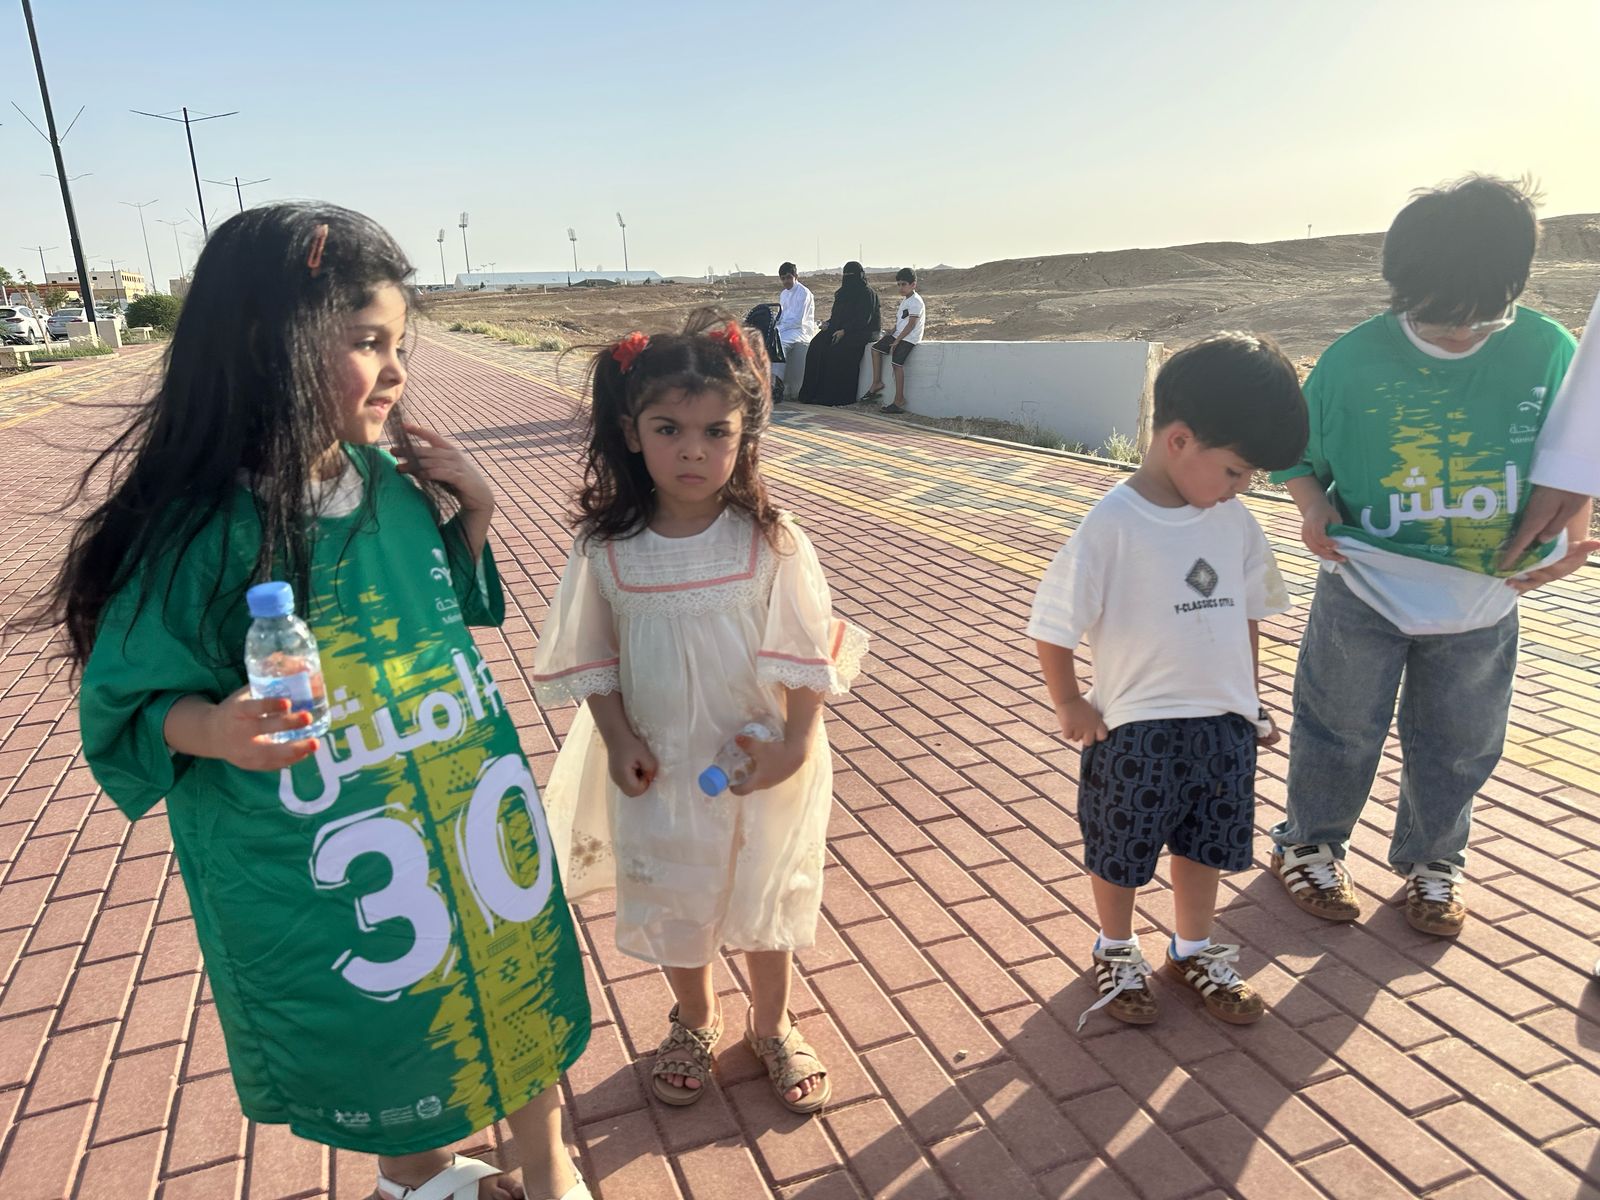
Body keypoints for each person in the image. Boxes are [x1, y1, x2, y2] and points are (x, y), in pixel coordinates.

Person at [47, 204, 592, 1200]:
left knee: (513, 979)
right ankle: (418, 1178)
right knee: (385, 1027)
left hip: (469, 819)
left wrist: (474, 511)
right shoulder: (195, 533)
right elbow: (127, 703)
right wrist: (213, 728)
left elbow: (436, 607)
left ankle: (550, 1171)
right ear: (270, 344)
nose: (395, 372)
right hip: (328, 853)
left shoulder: (389, 481)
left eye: (399, 345)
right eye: (367, 343)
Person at [532, 310, 868, 1114]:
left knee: (765, 886)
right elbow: (592, 657)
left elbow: (808, 654)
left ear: (744, 436)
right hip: (660, 764)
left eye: (716, 431)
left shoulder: (771, 539)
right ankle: (695, 1016)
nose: (693, 450)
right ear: (632, 432)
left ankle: (773, 1021)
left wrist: (796, 745)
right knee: (677, 892)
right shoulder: (606, 548)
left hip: (760, 759)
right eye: (669, 429)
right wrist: (616, 736)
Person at [1268, 176, 1596, 938]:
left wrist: (1569, 539)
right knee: (1338, 726)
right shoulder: (1353, 360)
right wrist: (1313, 508)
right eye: (1435, 315)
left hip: (1483, 597)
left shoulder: (1551, 351)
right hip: (1363, 585)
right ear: (1402, 289)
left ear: (1514, 286)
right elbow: (1295, 455)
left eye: (1483, 315)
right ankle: (1310, 844)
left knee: (1459, 743)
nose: (1457, 333)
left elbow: (1580, 458)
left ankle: (1435, 862)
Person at [1030, 333, 1309, 1029]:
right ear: (1179, 441)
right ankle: (1115, 947)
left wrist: (1251, 700)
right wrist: (1069, 700)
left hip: (1222, 725)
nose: (1242, 487)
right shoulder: (1113, 524)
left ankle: (1192, 950)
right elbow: (1054, 622)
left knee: (1204, 844)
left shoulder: (1233, 522)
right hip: (1135, 729)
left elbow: (1246, 613)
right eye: (1236, 470)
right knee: (1121, 848)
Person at [796, 261, 880, 406]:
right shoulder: (842, 293)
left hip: (862, 331)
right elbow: (837, 316)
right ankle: (811, 394)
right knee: (817, 345)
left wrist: (845, 330)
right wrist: (828, 324)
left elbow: (863, 319)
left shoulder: (867, 294)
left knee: (837, 351)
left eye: (851, 275)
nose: (848, 278)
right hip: (841, 329)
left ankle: (835, 397)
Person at [863, 268, 925, 412]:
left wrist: (897, 341)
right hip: (898, 334)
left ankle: (898, 400)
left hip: (909, 337)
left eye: (904, 284)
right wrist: (892, 331)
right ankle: (876, 383)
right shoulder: (906, 300)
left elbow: (911, 325)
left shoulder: (916, 302)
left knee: (897, 364)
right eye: (899, 284)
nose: (901, 288)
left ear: (913, 284)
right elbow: (903, 320)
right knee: (875, 349)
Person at [771, 262, 817, 399]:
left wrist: (778, 329)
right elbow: (782, 317)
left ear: (795, 276)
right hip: (786, 330)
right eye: (783, 278)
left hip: (800, 331)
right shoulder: (784, 294)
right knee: (769, 341)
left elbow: (797, 321)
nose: (786, 281)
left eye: (788, 277)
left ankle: (776, 384)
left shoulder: (804, 293)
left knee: (779, 344)